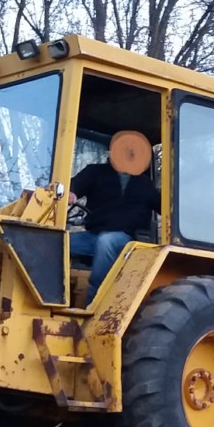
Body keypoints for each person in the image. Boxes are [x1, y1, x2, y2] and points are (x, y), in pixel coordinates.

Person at [69, 130, 158, 303]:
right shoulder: (95, 172)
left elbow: (165, 207)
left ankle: (96, 299)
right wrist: (71, 193)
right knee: (57, 243)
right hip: (92, 236)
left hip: (127, 241)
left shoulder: (145, 184)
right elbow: (75, 185)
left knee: (106, 241)